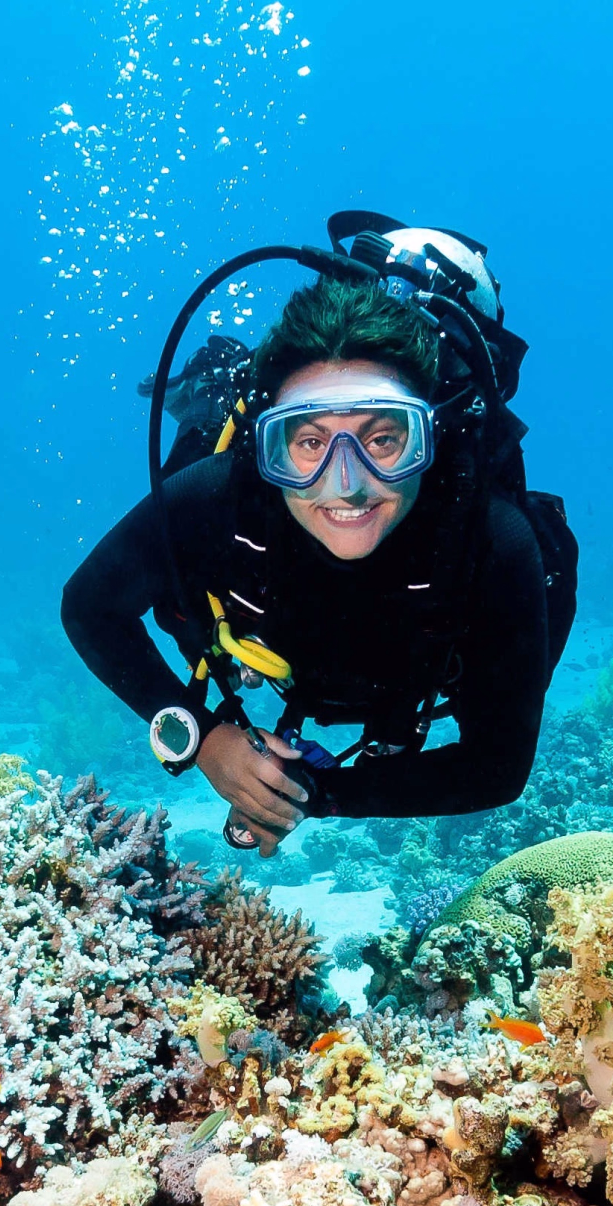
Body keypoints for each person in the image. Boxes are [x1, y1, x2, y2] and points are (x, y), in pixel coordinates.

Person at [62, 220, 575, 855]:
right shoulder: (218, 494)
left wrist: (317, 794)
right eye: (308, 442)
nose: (347, 484)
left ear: (430, 437)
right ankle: (213, 382)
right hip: (250, 618)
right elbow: (87, 606)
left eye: (384, 438)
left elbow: (498, 766)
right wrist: (205, 738)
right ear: (267, 445)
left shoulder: (494, 543)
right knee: (202, 432)